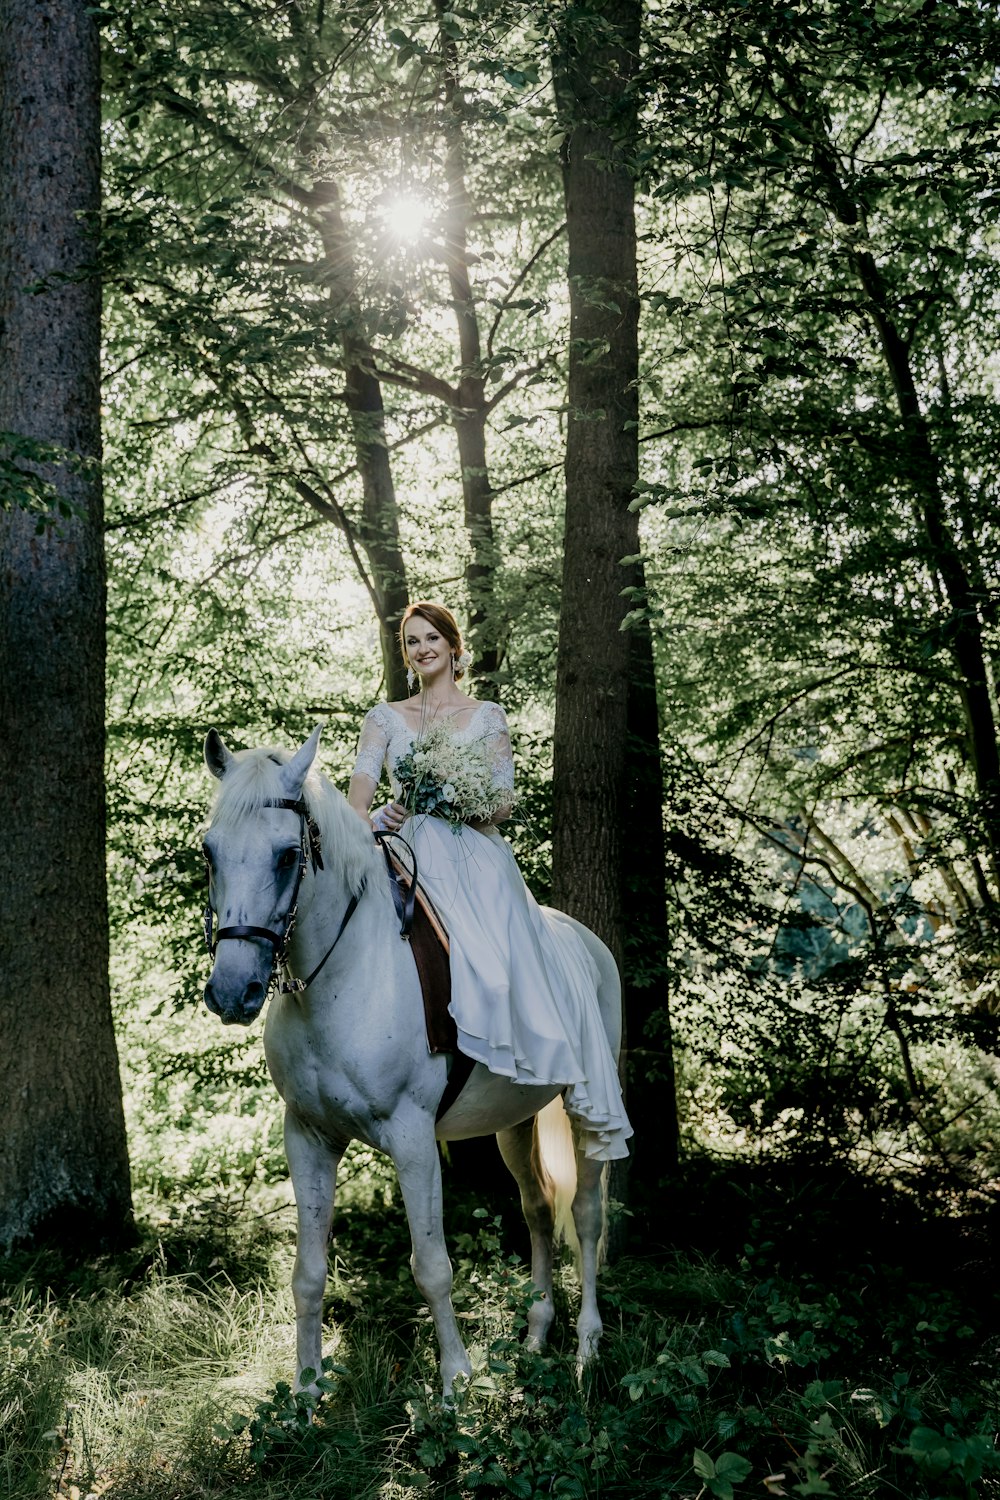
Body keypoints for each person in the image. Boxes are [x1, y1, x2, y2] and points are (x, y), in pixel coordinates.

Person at [348, 602, 632, 1160]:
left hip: (472, 852)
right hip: (403, 851)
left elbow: (502, 803)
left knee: (499, 951)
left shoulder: (487, 716)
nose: (423, 648)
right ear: (405, 654)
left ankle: (527, 1052)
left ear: (454, 647)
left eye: (432, 638)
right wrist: (378, 817)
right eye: (412, 641)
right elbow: (354, 805)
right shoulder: (383, 718)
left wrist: (455, 795)